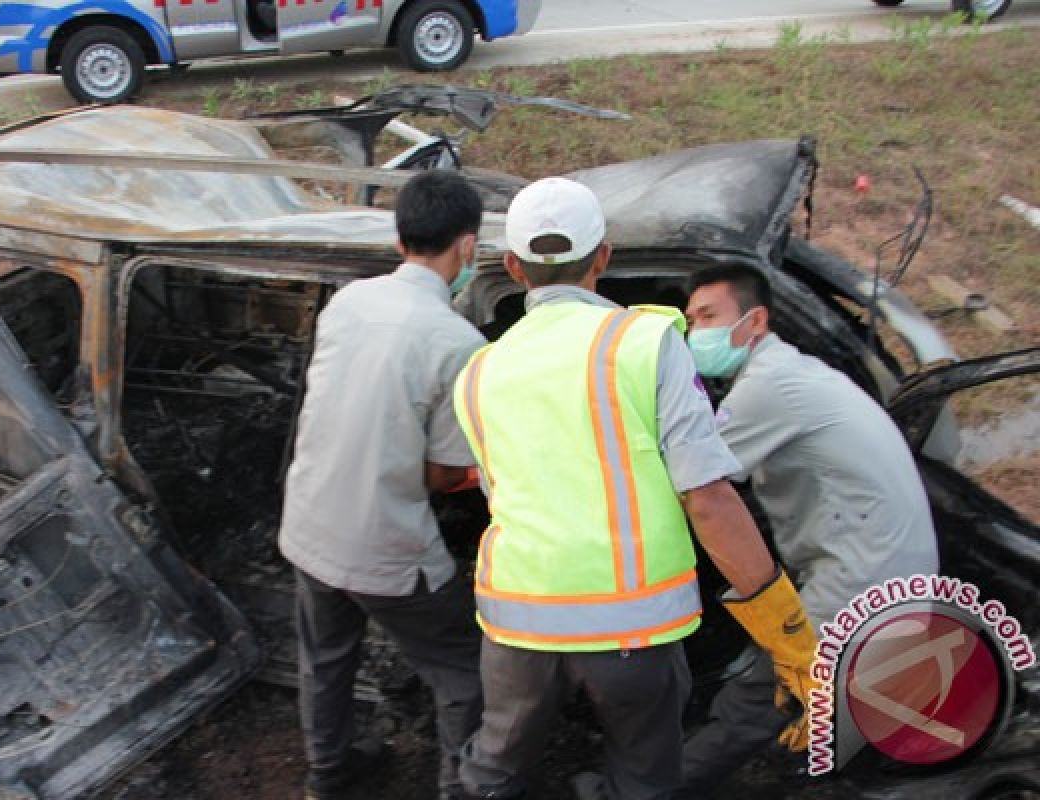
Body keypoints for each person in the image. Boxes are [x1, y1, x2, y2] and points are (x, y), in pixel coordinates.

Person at [453, 177, 819, 800]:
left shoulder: (479, 370)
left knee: (493, 771)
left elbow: (500, 494)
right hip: (634, 632)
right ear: (604, 256)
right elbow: (706, 497)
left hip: (518, 625)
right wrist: (786, 630)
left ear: (512, 267)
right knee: (645, 776)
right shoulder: (646, 343)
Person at [679, 264, 940, 792]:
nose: (695, 331)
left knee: (759, 697)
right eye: (690, 320)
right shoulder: (793, 371)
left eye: (709, 315)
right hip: (891, 567)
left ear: (754, 322)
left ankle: (650, 787)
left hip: (859, 578)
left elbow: (695, 483)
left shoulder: (769, 387)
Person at [278, 170, 487, 800]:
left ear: (401, 241)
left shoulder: (348, 301)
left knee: (327, 659)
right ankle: (460, 787)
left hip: (311, 521)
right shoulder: (459, 343)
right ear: (469, 247)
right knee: (463, 671)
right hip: (384, 543)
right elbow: (443, 474)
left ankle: (329, 775)